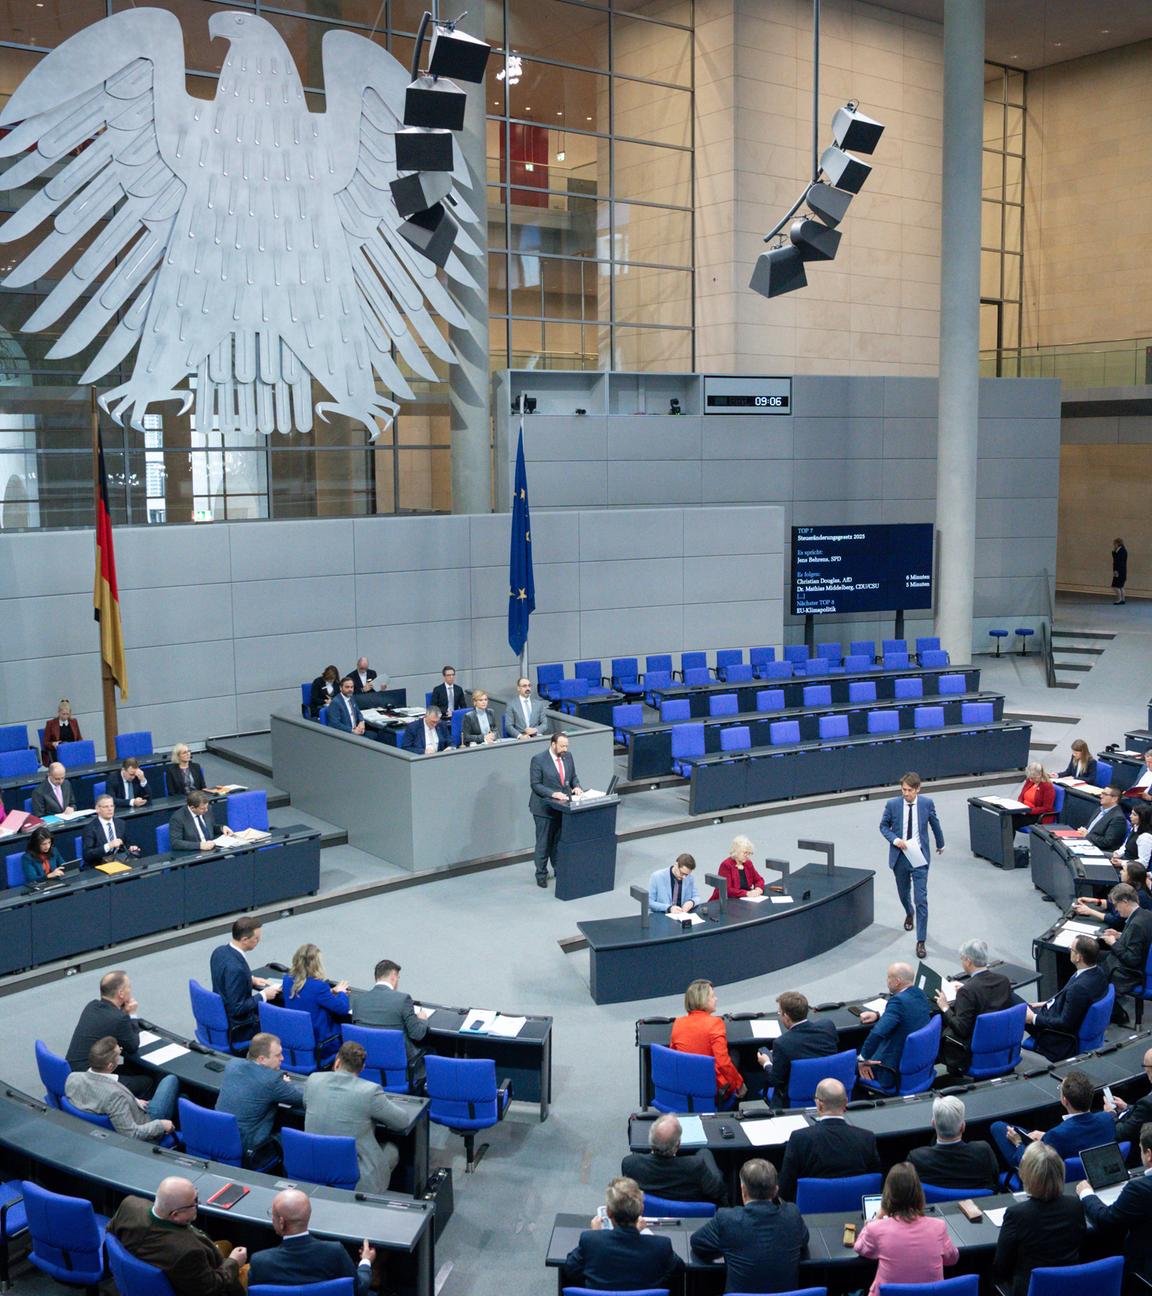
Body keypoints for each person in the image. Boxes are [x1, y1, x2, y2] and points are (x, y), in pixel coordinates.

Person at [108, 1176, 246, 1296]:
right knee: (249, 1269)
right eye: (194, 1202)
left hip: (140, 1281)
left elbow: (111, 1234)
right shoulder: (188, 1252)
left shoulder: (130, 1204)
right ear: (175, 1215)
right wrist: (234, 1262)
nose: (198, 1204)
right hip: (198, 1283)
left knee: (225, 1244)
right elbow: (211, 1289)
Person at [303, 1040, 410, 1194]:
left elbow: (306, 1104)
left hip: (314, 1163)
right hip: (356, 1173)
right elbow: (402, 1122)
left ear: (337, 1061)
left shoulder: (313, 1079)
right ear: (362, 1067)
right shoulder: (370, 1091)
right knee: (392, 1150)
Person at [689, 1158, 808, 1294]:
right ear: (776, 1190)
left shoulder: (727, 1219)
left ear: (743, 1190)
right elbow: (804, 1240)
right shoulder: (792, 1214)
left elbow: (697, 1242)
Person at [562, 1176, 684, 1292]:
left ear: (609, 1213)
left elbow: (570, 1269)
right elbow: (678, 1270)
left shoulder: (590, 1239)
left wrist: (597, 1235)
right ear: (641, 1209)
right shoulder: (661, 1245)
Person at [995, 1142, 1086, 1296]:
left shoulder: (1016, 1214)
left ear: (1026, 1175)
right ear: (1060, 1173)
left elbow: (1000, 1268)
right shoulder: (1075, 1205)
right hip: (1069, 1287)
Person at [853, 1162, 958, 1296]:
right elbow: (952, 1259)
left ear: (888, 1196)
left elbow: (859, 1248)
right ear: (919, 1193)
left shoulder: (875, 1229)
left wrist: (876, 1220)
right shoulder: (938, 1226)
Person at [248, 1188, 373, 1293]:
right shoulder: (334, 1252)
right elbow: (358, 1289)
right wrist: (366, 1261)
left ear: (281, 1222)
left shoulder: (259, 1262)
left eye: (273, 1215)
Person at [991, 1069, 1115, 1172]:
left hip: (1048, 1177)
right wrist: (1045, 1136)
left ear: (1065, 1101)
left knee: (998, 1127)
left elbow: (1031, 1164)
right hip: (1098, 1172)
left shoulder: (1057, 1135)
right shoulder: (1107, 1118)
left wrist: (1018, 1143)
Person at [778, 1078, 881, 1200]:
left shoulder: (799, 1139)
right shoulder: (867, 1138)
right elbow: (875, 1185)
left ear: (820, 1104)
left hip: (811, 1214)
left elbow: (785, 1190)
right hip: (855, 1211)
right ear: (845, 1103)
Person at [1077, 1121, 1152, 1286]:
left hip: (1142, 1270)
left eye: (1140, 1149)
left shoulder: (1139, 1189)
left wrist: (1086, 1193)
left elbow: (1104, 1220)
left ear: (1149, 1154)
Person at [879, 771, 944, 960]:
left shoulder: (926, 803)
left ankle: (920, 941)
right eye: (903, 790)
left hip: (919, 857)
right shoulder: (892, 804)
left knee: (921, 899)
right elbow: (883, 826)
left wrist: (940, 843)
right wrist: (895, 839)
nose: (905, 793)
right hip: (900, 857)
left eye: (909, 790)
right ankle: (909, 913)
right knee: (903, 892)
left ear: (918, 789)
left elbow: (935, 824)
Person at [63, 1035, 177, 1142]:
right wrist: (161, 1125)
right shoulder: (115, 1096)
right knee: (170, 1079)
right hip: (146, 1121)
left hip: (109, 1118)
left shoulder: (73, 1078)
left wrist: (133, 1100)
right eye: (119, 1053)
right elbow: (132, 1134)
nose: (121, 1051)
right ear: (110, 1066)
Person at [216, 1034, 306, 1167]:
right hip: (251, 1148)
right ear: (262, 1059)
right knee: (298, 1136)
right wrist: (286, 1083)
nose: (282, 1058)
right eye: (278, 1055)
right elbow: (302, 1097)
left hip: (220, 1136)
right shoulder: (271, 1081)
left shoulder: (233, 1064)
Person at [66, 969, 153, 1097]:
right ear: (121, 994)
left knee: (131, 1070)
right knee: (148, 1081)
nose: (131, 990)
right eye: (129, 987)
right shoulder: (119, 1018)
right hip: (91, 1081)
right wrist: (132, 1015)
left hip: (74, 1074)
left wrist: (122, 1013)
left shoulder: (91, 1006)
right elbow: (133, 1045)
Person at [1024, 933, 1110, 1060]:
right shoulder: (1098, 972)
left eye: (1072, 949)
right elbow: (1073, 1003)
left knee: (1013, 1008)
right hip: (1056, 1011)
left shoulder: (1079, 988)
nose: (1069, 950)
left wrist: (1034, 1018)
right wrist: (1046, 1003)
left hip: (1057, 1035)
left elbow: (1065, 1024)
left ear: (1078, 957)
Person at [935, 938, 1015, 1073]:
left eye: (962, 959)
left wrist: (945, 1007)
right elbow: (987, 996)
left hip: (976, 1044)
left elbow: (962, 1029)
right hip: (1001, 1037)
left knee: (943, 1023)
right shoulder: (1003, 980)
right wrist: (967, 987)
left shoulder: (968, 991)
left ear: (968, 961)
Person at [351, 959, 432, 1089]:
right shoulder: (403, 1000)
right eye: (398, 978)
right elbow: (417, 1034)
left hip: (365, 1066)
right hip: (400, 1071)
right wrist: (422, 1020)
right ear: (393, 976)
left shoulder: (358, 1001)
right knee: (432, 1050)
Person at [620, 1113, 726, 1206]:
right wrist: (706, 1155)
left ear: (650, 1141)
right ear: (678, 1144)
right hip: (693, 1219)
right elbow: (716, 1190)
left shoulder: (630, 1165)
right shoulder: (696, 1165)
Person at [756, 990, 837, 1109]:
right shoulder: (828, 1026)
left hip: (793, 1102)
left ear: (786, 1016)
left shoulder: (782, 1043)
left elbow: (775, 1080)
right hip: (830, 1094)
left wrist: (766, 1063)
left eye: (780, 1012)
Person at [857, 962, 931, 1086]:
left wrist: (862, 1059)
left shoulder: (897, 1002)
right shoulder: (920, 993)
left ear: (897, 981)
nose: (887, 980)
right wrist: (878, 1015)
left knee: (852, 1063)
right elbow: (907, 1012)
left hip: (891, 1069)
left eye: (888, 977)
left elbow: (877, 1033)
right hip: (918, 1061)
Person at [670, 978, 744, 1101]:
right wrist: (739, 1084)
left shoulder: (678, 1023)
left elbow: (674, 1057)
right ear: (703, 1000)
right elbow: (723, 1063)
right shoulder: (715, 1023)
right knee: (734, 1054)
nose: (716, 999)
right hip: (712, 1090)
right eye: (712, 996)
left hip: (685, 1088)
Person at [210, 916, 280, 1046]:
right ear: (244, 939)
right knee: (278, 1016)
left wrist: (250, 979)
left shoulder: (219, 952)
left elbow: (225, 977)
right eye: (256, 939)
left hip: (222, 1012)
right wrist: (264, 995)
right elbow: (238, 1008)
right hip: (240, 1026)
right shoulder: (237, 969)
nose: (259, 941)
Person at [908, 1095, 1000, 1193]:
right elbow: (995, 1179)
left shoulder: (916, 1158)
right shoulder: (983, 1151)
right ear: (963, 1127)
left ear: (933, 1124)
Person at [281, 943, 349, 1065]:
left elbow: (307, 996)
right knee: (348, 1029)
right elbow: (343, 1009)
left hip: (295, 1037)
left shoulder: (287, 980)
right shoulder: (319, 987)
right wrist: (341, 993)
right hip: (320, 1043)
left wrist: (330, 992)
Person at [528, 732, 581, 887]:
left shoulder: (568, 756)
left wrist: (577, 786)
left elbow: (573, 777)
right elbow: (535, 784)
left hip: (562, 808)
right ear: (553, 744)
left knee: (558, 842)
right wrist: (553, 794)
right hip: (543, 809)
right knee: (544, 843)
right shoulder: (538, 760)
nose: (565, 748)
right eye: (562, 746)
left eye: (567, 745)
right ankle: (541, 874)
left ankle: (559, 869)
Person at [1098, 882, 1152, 1022]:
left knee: (1093, 970)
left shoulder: (1136, 924)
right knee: (1097, 957)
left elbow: (1132, 959)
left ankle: (1116, 1014)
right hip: (1140, 962)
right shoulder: (1145, 914)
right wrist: (1119, 935)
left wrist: (1113, 943)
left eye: (1116, 905)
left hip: (1132, 972)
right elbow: (1140, 941)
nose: (1115, 910)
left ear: (1125, 901)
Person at [1105, 1047, 1152, 1142]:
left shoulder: (1147, 1104)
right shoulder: (1145, 1105)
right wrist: (1128, 1108)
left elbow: (1121, 1134)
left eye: (1144, 1065)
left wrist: (1111, 1115)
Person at [82, 793, 142, 867]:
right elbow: (87, 855)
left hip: (119, 861)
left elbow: (126, 844)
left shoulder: (120, 823)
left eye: (112, 806)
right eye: (106, 807)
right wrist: (109, 846)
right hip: (99, 865)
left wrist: (131, 848)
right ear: (97, 809)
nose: (110, 809)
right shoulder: (90, 828)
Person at [1076, 783, 1128, 852]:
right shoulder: (1099, 809)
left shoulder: (1118, 818)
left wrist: (1087, 835)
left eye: (1105, 794)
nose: (1101, 796)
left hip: (1100, 851)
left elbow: (1107, 842)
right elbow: (1090, 828)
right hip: (1088, 844)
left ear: (1114, 799)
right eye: (1102, 793)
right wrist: (1083, 831)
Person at [710, 835, 765, 899]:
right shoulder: (726, 865)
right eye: (745, 853)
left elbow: (759, 879)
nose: (747, 856)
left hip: (744, 899)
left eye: (749, 853)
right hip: (727, 901)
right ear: (736, 851)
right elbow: (726, 889)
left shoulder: (748, 863)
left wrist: (758, 889)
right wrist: (746, 893)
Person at [41, 697, 81, 764]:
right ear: (59, 712)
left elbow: (79, 738)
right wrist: (53, 744)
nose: (65, 716)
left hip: (73, 750)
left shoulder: (74, 722)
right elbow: (45, 743)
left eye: (67, 714)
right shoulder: (50, 723)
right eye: (63, 714)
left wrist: (78, 745)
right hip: (58, 752)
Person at [1116, 804, 1152, 869]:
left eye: (1134, 815)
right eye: (1131, 813)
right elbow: (1125, 845)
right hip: (1124, 859)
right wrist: (1117, 853)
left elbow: (1143, 863)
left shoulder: (1146, 837)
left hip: (1132, 870)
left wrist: (1122, 863)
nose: (1130, 816)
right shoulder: (1135, 827)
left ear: (1142, 818)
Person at [1112, 536, 1128, 604]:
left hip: (1119, 571)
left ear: (1118, 543)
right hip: (1122, 571)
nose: (1114, 545)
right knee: (1121, 586)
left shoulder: (1121, 551)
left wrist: (1116, 571)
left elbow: (1118, 561)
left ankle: (1119, 600)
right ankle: (1123, 599)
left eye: (1114, 543)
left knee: (1115, 586)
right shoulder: (1123, 550)